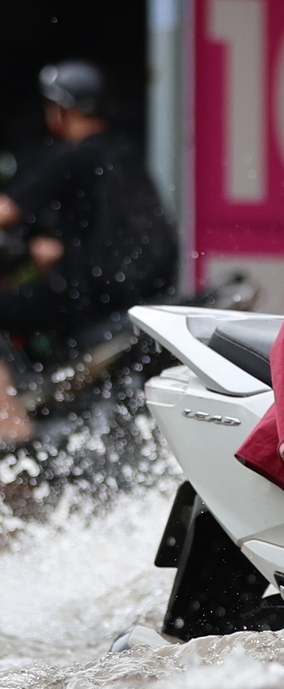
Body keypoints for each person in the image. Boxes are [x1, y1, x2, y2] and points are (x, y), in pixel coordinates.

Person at [0, 60, 176, 441]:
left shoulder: (73, 157)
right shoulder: (126, 152)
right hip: (134, 295)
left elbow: (7, 211)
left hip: (86, 297)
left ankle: (13, 430)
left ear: (62, 110)